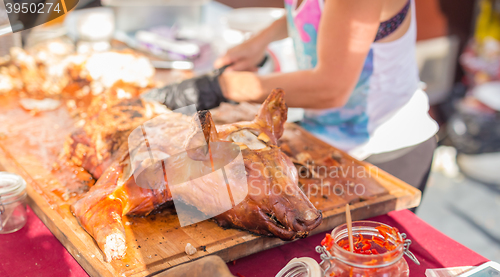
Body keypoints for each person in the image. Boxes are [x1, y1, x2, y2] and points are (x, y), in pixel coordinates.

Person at [147, 0, 438, 195]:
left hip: (384, 152)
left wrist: (223, 87)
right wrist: (261, 40)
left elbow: (330, 88)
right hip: (329, 142)